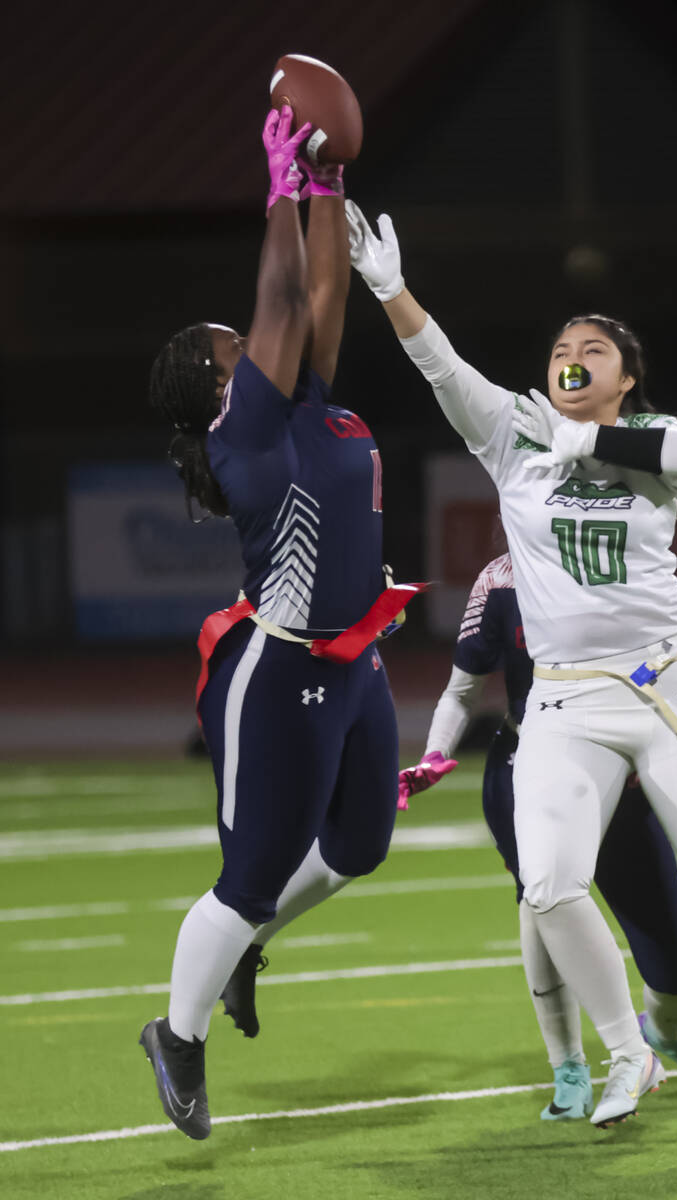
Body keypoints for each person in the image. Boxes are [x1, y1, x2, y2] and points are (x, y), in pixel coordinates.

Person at [346, 202, 677, 1136]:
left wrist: (593, 439)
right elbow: (438, 363)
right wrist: (388, 287)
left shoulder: (652, 438)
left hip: (667, 684)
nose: (572, 351)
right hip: (564, 699)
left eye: (593, 346)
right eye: (563, 342)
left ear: (626, 378)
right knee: (550, 885)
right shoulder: (513, 436)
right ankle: (628, 1052)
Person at [140, 110, 418, 1140]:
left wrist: (330, 180)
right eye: (239, 343)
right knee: (249, 875)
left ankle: (245, 944)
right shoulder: (243, 427)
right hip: (280, 670)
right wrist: (276, 192)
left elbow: (321, 295)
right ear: (221, 377)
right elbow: (285, 296)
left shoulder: (304, 403)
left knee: (360, 845)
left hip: (357, 663)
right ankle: (178, 1033)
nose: (261, 337)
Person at [400, 551, 677, 1120]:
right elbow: (462, 689)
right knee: (542, 901)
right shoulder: (501, 577)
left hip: (622, 774)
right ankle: (569, 1064)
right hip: (526, 766)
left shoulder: (625, 557)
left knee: (675, 966)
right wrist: (435, 752)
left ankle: (665, 1033)